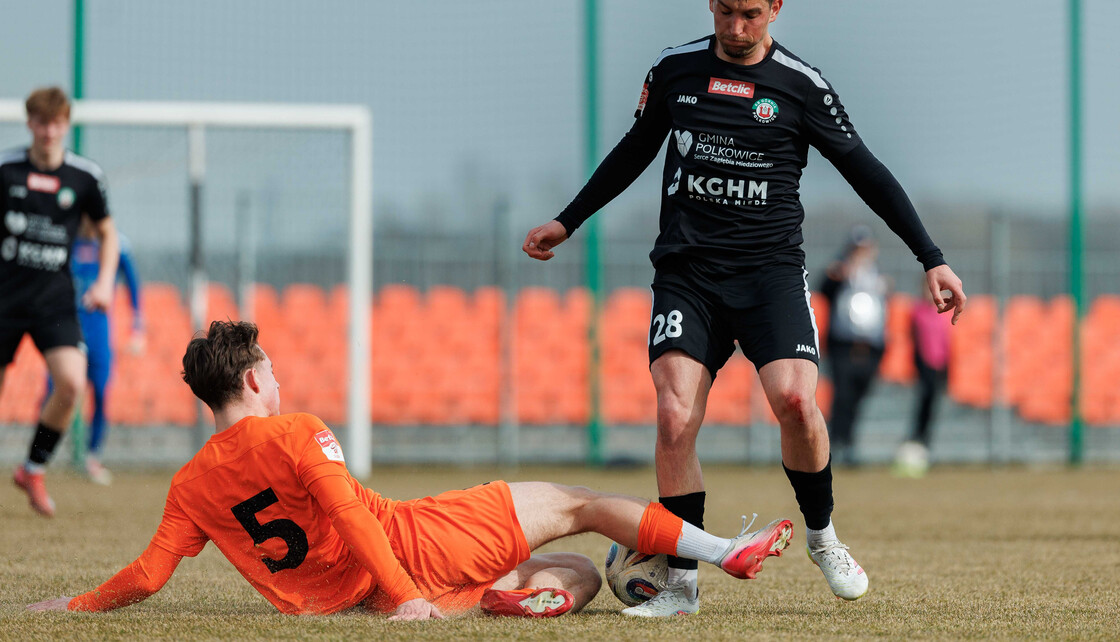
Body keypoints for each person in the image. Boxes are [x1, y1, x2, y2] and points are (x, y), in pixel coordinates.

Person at [522, 0, 966, 613]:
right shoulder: (674, 72)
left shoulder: (802, 87)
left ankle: (822, 535)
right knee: (675, 415)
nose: (736, 25)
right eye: (726, 9)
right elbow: (633, 150)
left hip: (769, 277)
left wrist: (930, 256)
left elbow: (868, 173)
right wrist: (569, 219)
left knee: (795, 403)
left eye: (750, 13)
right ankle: (683, 579)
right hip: (688, 275)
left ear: (776, 8)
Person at [27, 320, 794, 620]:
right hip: (411, 550)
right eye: (275, 370)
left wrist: (79, 607)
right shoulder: (293, 430)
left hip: (352, 597)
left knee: (571, 569)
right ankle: (726, 553)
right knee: (581, 503)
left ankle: (519, 598)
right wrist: (404, 599)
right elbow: (357, 516)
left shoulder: (190, 484)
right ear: (255, 378)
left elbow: (150, 575)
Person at [1, 86, 118, 517]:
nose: (48, 131)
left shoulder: (84, 177)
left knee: (71, 383)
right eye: (40, 122)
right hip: (4, 296)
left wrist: (105, 282)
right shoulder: (6, 169)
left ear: (66, 125)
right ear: (29, 123)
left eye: (56, 123)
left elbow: (107, 232)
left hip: (54, 298)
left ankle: (32, 468)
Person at [42, 216, 145, 485]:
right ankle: (42, 453)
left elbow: (134, 287)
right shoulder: (63, 238)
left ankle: (92, 456)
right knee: (54, 389)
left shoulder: (115, 244)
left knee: (100, 390)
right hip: (65, 327)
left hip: (98, 330)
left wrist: (137, 328)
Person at [818, 226, 890, 467]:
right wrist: (836, 276)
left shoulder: (877, 276)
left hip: (870, 346)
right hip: (843, 344)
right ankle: (837, 444)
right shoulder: (840, 273)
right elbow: (823, 290)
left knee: (859, 395)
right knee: (843, 395)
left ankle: (848, 441)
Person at [894, 281, 953, 477]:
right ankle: (915, 443)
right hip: (923, 366)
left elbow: (946, 342)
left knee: (931, 408)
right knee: (922, 406)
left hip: (940, 366)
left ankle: (924, 445)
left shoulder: (943, 314)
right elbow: (914, 340)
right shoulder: (917, 312)